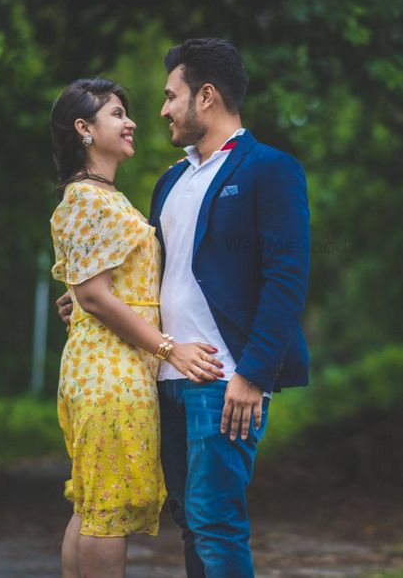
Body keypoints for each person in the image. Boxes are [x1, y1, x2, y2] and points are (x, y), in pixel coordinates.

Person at [57, 39, 311, 578]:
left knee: (216, 523)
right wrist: (81, 296)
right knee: (190, 523)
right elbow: (151, 271)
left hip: (225, 379)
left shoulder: (271, 169)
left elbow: (286, 277)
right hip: (162, 378)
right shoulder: (169, 181)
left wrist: (254, 374)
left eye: (172, 96)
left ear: (207, 97)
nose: (163, 109)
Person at [48, 77, 225, 578]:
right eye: (117, 114)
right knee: (106, 512)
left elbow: (92, 291)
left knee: (92, 505)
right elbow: (95, 296)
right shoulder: (88, 198)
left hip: (110, 364)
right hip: (109, 371)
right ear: (84, 129)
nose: (131, 123)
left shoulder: (104, 197)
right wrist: (172, 349)